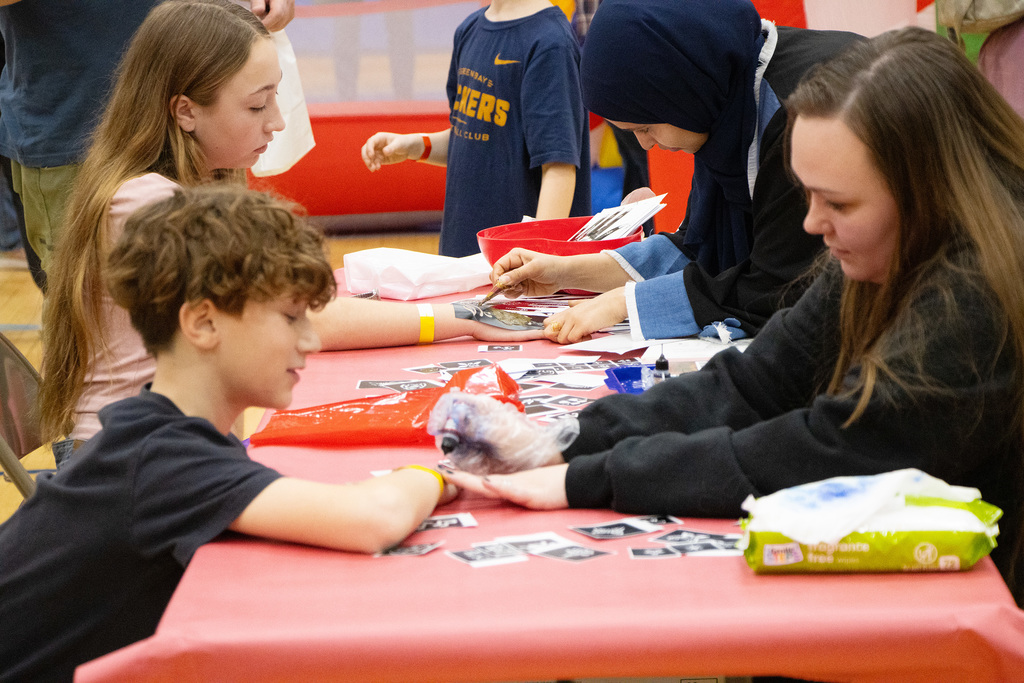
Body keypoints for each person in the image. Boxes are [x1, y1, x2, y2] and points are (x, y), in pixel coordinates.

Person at [439, 27, 1024, 606]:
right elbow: (757, 383)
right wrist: (565, 440)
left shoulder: (975, 296)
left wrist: (590, 476)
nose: (812, 225)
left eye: (839, 203)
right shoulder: (882, 252)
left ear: (928, 188)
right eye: (808, 195)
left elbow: (828, 447)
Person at [38, 0, 541, 468]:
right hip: (128, 458)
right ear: (185, 111)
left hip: (169, 444)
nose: (277, 123)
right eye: (257, 107)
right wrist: (462, 318)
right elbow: (299, 316)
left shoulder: (187, 184)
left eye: (275, 99)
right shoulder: (147, 203)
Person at [0, 184, 459, 682]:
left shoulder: (161, 435)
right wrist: (446, 470)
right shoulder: (162, 460)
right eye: (290, 317)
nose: (309, 340)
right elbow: (374, 516)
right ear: (202, 323)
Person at [489, 0, 862, 344]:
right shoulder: (724, 97)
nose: (647, 145)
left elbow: (784, 286)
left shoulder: (797, 114)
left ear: (683, 90)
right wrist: (564, 271)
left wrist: (626, 302)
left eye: (646, 128)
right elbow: (697, 248)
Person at [0, 0, 294, 285]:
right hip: (75, 122)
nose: (278, 124)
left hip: (204, 107)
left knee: (228, 276)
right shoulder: (125, 205)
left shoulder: (219, 132)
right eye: (258, 105)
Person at [360, 0, 591, 258]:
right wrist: (415, 146)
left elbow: (559, 167)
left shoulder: (551, 43)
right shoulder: (469, 29)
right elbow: (474, 138)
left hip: (514, 269)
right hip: (460, 256)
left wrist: (535, 262)